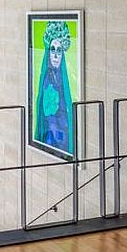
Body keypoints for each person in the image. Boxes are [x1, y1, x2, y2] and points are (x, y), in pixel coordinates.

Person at [35, 20, 75, 156]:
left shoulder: (64, 81)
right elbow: (48, 113)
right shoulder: (47, 80)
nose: (56, 55)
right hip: (52, 138)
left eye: (59, 50)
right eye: (53, 50)